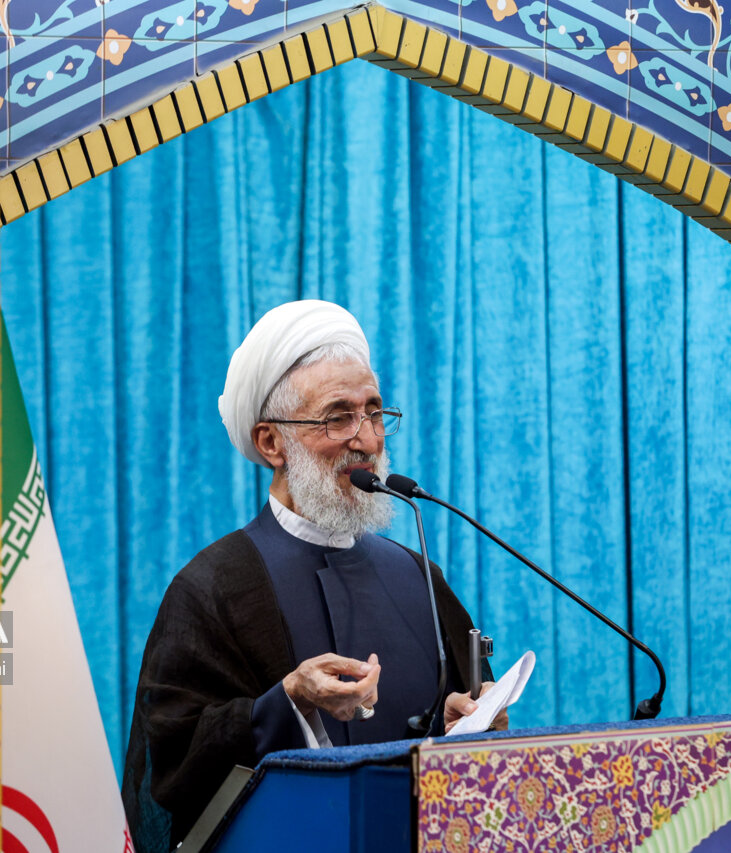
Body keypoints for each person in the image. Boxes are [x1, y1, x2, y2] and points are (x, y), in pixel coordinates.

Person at [121, 300, 504, 852]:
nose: (368, 440)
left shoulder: (416, 573)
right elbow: (176, 760)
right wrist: (289, 701)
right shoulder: (212, 587)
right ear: (271, 443)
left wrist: (455, 727)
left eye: (374, 412)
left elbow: (455, 727)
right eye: (338, 417)